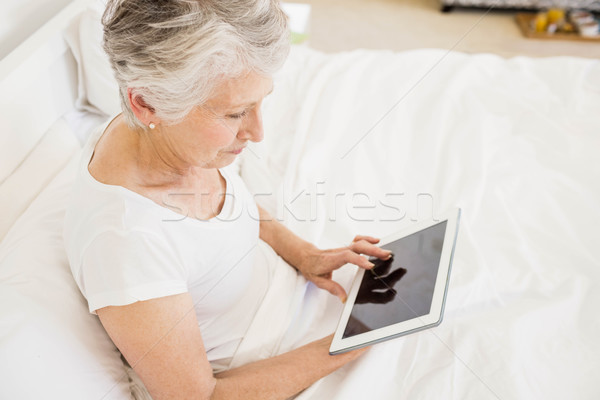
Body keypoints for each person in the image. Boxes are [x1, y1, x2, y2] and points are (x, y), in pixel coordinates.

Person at [63, 1, 392, 398]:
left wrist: (304, 255)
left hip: (297, 303)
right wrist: (355, 338)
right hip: (268, 366)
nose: (257, 132)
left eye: (260, 102)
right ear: (146, 103)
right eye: (236, 114)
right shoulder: (126, 243)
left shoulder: (163, 138)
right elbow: (202, 396)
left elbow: (228, 209)